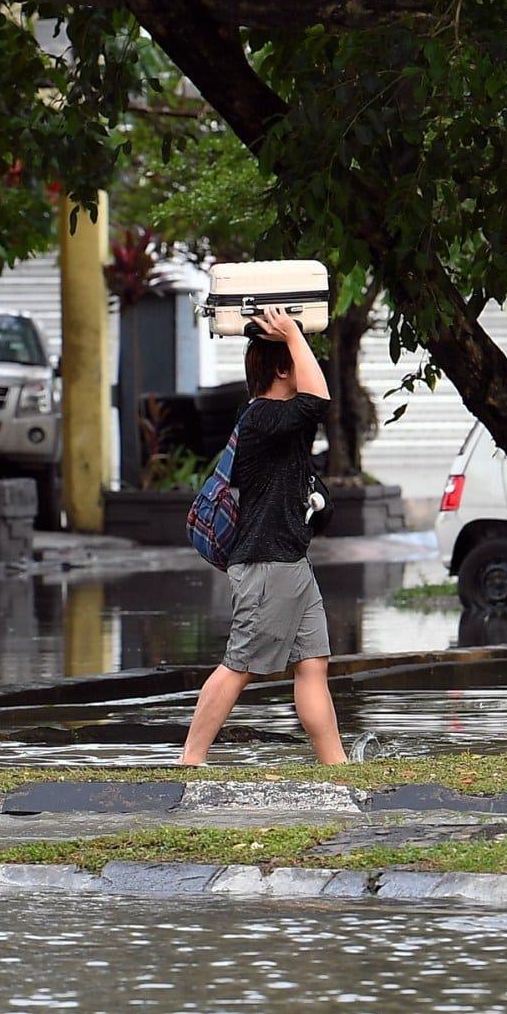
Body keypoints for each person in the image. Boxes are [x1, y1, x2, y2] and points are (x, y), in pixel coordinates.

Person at [180, 306, 346, 765]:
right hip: (267, 566)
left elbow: (300, 461)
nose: (307, 361)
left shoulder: (283, 423)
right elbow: (318, 400)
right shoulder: (263, 417)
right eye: (298, 354)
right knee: (239, 666)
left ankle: (336, 766)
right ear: (280, 368)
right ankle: (189, 762)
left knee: (313, 666)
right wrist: (292, 331)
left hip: (291, 563)